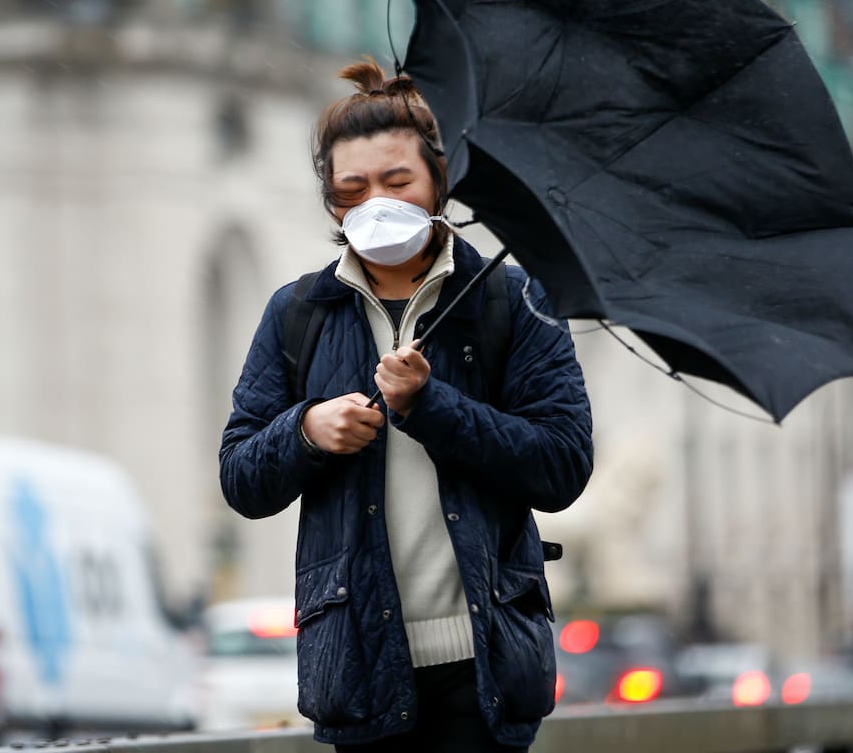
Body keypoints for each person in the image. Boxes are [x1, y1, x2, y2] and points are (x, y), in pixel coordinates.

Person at [218, 57, 593, 753]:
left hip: (486, 661)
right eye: (352, 188)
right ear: (331, 201)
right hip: (356, 658)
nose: (375, 204)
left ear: (438, 183)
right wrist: (306, 431)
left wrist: (431, 405)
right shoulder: (298, 313)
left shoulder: (513, 301)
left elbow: (562, 465)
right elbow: (241, 478)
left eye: (397, 183)